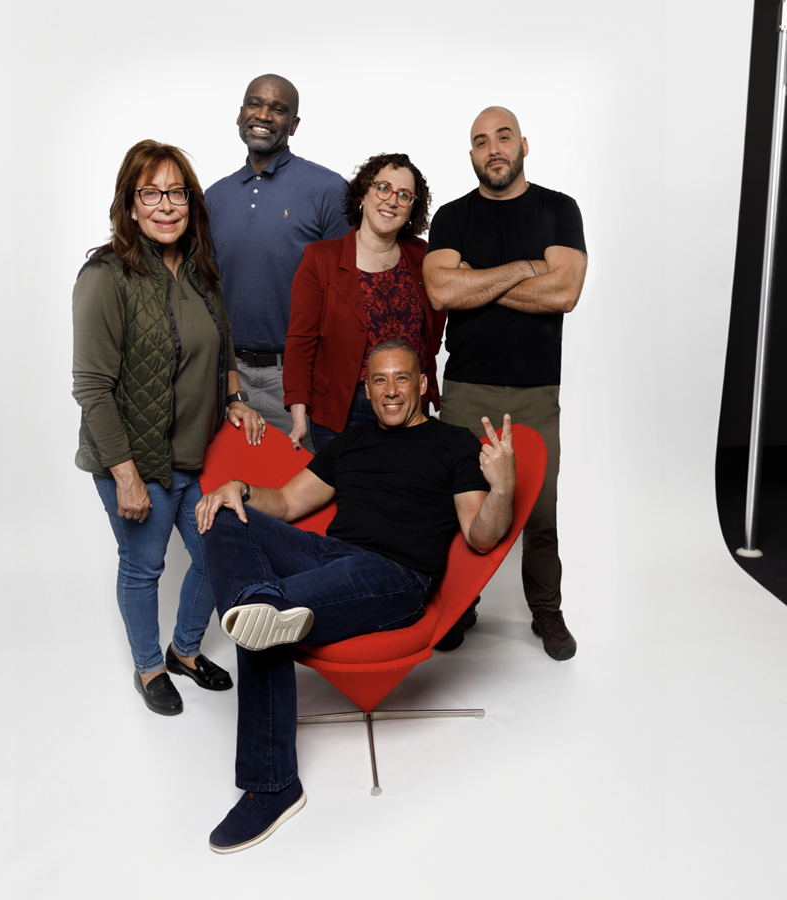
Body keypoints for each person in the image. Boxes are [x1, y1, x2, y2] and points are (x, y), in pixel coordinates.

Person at [191, 340, 515, 852]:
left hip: (393, 576)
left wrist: (502, 488)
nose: (391, 390)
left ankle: (272, 786)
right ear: (368, 387)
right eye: (380, 380)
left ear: (423, 384)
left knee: (263, 619)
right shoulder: (348, 443)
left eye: (402, 378)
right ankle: (260, 602)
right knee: (223, 513)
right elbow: (289, 502)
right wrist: (240, 488)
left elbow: (480, 535)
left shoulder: (454, 444)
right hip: (328, 554)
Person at [73, 140, 268, 716]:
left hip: (201, 457)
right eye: (150, 193)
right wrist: (126, 475)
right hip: (136, 460)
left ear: (191, 201)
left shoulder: (201, 270)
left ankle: (183, 651)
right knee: (144, 567)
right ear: (130, 205)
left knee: (214, 557)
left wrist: (235, 398)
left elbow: (223, 345)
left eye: (176, 192)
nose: (165, 205)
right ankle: (148, 667)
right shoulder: (105, 276)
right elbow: (91, 388)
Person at [423, 107, 587, 661]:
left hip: (537, 389)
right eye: (480, 141)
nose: (493, 148)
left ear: (523, 145)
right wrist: (527, 268)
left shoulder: (557, 209)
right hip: (466, 387)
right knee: (459, 503)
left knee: (540, 509)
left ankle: (546, 609)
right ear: (471, 155)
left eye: (503, 137)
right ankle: (458, 605)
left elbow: (565, 294)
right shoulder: (450, 216)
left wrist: (478, 278)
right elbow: (442, 294)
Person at [206, 74, 350, 445]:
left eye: (279, 108)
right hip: (226, 377)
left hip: (296, 377)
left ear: (294, 124)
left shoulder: (327, 189)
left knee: (301, 493)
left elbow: (347, 293)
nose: (264, 115)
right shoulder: (213, 197)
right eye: (255, 104)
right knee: (233, 490)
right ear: (240, 115)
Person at [284, 153, 446, 451]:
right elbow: (300, 343)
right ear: (362, 195)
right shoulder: (321, 259)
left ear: (412, 210)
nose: (392, 200)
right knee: (349, 497)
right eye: (383, 188)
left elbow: (432, 332)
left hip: (410, 405)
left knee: (410, 495)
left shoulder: (424, 256)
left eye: (404, 195)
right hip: (343, 410)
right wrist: (298, 416)